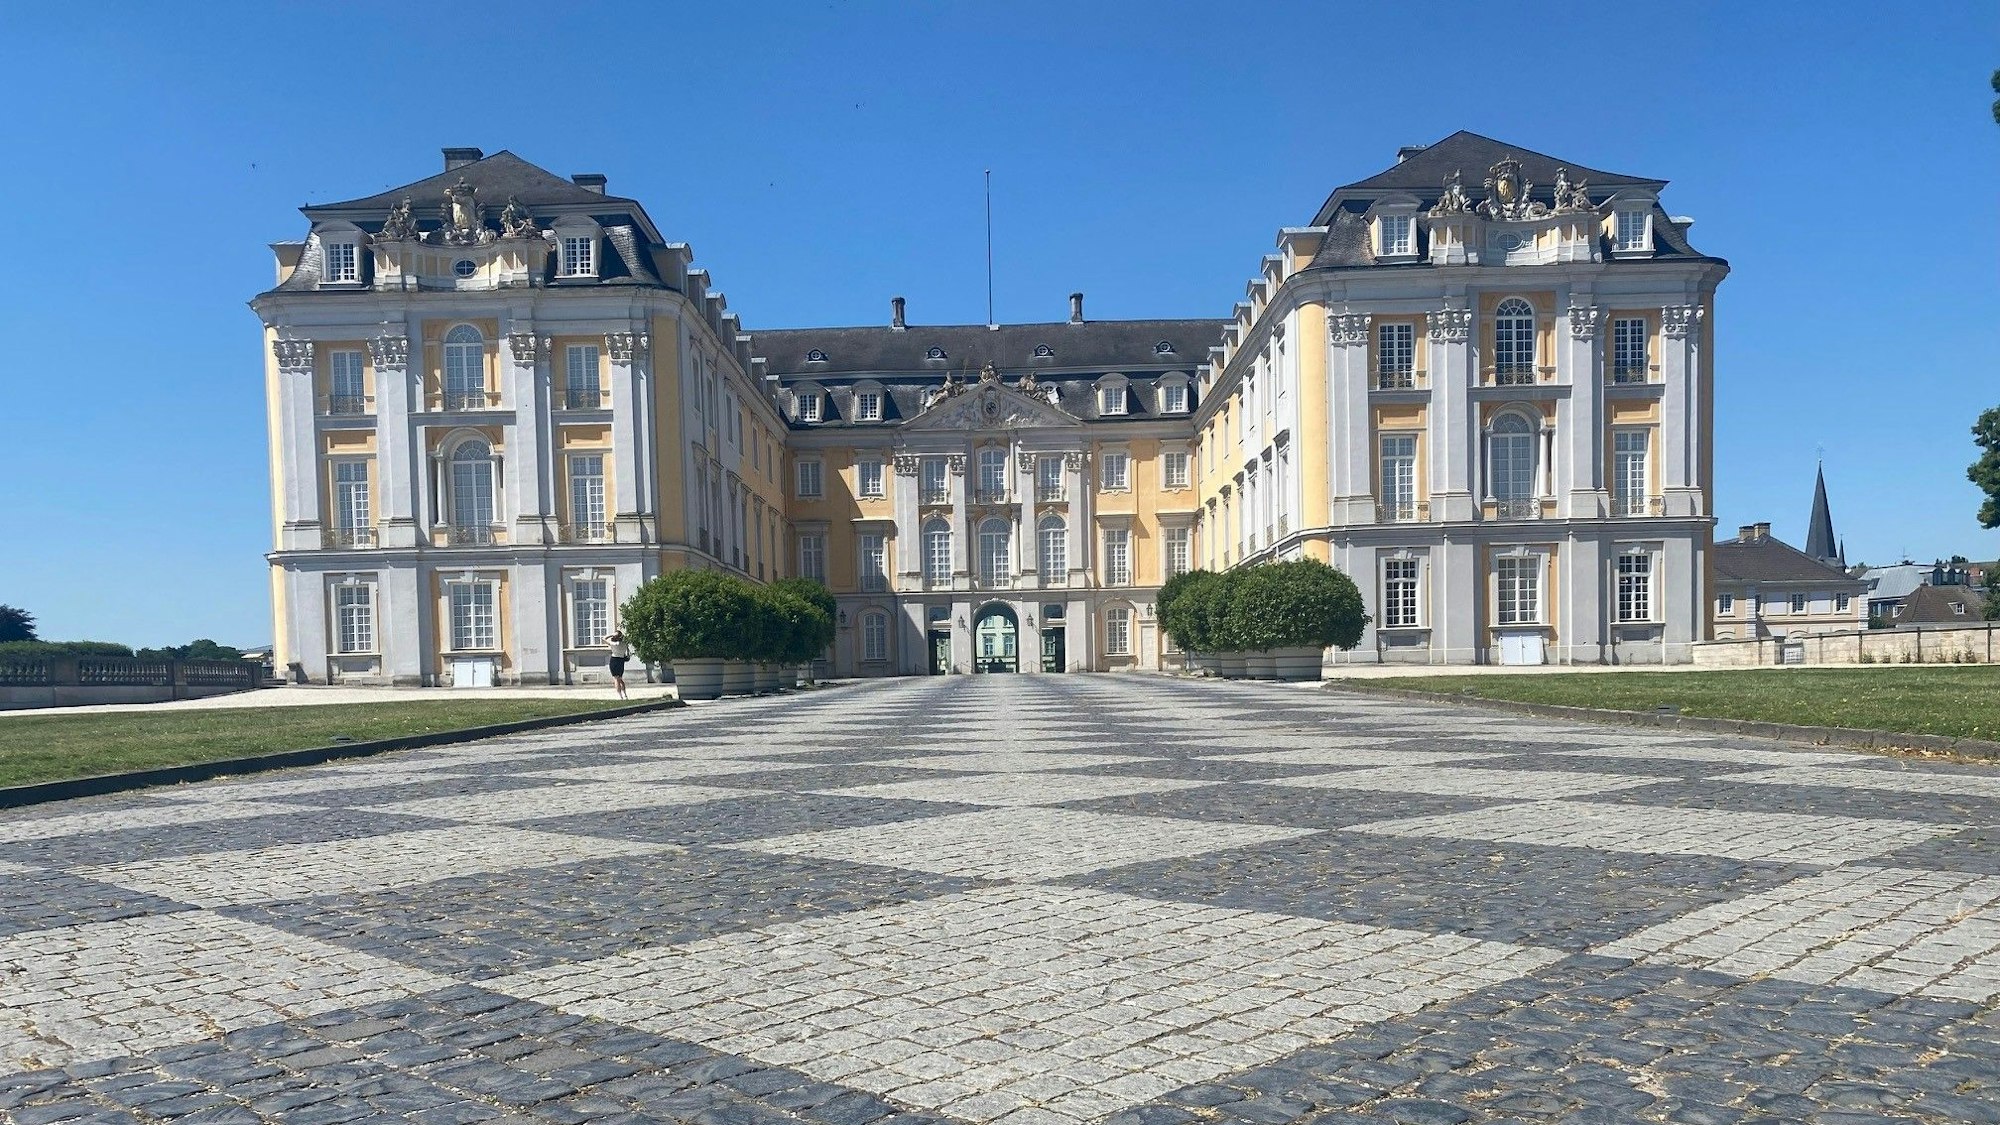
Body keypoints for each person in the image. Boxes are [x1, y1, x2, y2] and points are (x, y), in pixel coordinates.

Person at [607, 632, 632, 699]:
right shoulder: (624, 644)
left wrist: (611, 635)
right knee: (620, 679)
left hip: (614, 660)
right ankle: (625, 694)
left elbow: (603, 639)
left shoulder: (614, 644)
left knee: (616, 679)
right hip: (621, 660)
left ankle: (619, 695)